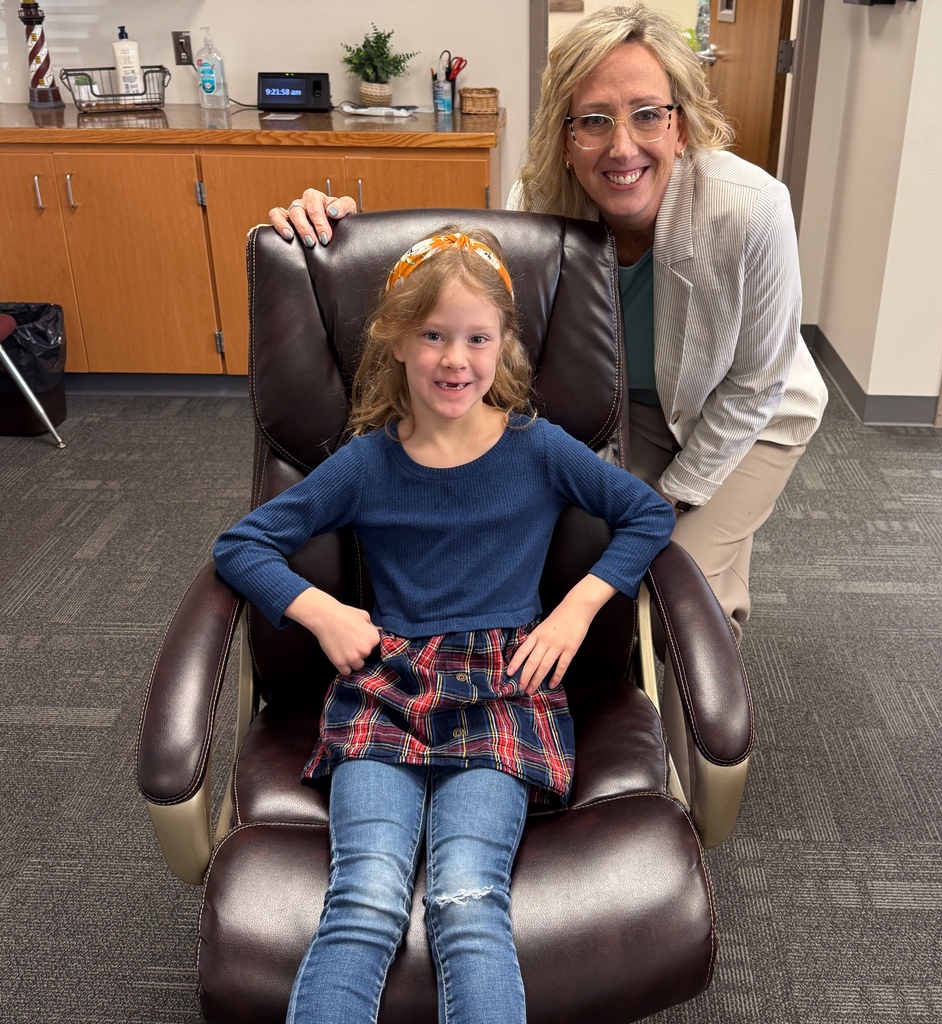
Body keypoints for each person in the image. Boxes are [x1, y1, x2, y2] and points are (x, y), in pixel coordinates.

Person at [213, 226, 675, 1024]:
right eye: (432, 335)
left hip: (505, 689)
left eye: (476, 338)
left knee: (466, 899)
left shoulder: (540, 449)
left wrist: (578, 607)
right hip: (385, 690)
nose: (455, 359)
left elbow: (648, 514)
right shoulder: (366, 462)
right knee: (363, 900)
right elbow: (241, 545)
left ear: (505, 346)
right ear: (395, 340)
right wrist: (322, 611)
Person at [267, 2, 828, 645]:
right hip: (628, 407)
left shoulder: (752, 209)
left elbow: (756, 384)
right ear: (565, 137)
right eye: (594, 120)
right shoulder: (538, 204)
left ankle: (704, 679)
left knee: (675, 589)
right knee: (593, 568)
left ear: (681, 127)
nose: (622, 146)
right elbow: (465, 290)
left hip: (751, 414)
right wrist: (344, 235)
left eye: (648, 114)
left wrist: (677, 497)